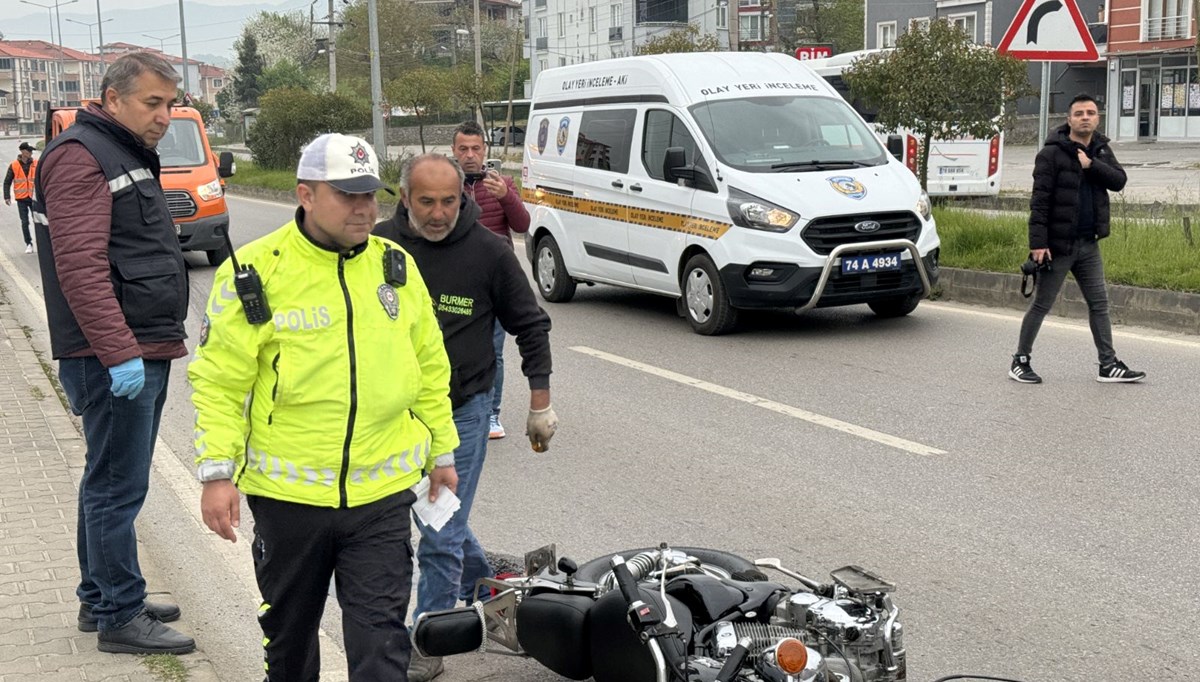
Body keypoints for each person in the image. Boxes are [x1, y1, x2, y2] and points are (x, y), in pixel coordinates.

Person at [190, 133, 460, 681]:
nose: (364, 207)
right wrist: (217, 474)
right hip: (289, 502)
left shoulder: (395, 267)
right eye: (347, 195)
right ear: (306, 194)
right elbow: (219, 383)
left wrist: (443, 450)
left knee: (383, 649)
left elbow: (429, 367)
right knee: (289, 648)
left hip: (380, 500)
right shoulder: (256, 274)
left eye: (370, 195)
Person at [30, 52, 195, 655]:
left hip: (135, 344)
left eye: (170, 103)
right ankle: (120, 616)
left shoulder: (117, 150)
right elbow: (81, 266)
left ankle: (100, 596)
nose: (165, 116)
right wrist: (119, 352)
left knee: (108, 481)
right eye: (153, 103)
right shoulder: (81, 156)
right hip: (112, 354)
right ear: (112, 97)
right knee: (116, 487)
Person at [374, 153, 555, 682]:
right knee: (438, 523)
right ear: (405, 198)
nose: (437, 213)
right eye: (425, 201)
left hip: (462, 414)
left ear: (464, 197)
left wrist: (540, 404)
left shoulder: (489, 252)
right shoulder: (380, 247)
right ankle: (493, 585)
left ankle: (426, 642)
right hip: (391, 416)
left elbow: (531, 323)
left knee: (438, 531)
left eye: (448, 201)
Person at [1010, 93, 1145, 385]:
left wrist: (1091, 165)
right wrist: (1038, 244)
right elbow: (1040, 202)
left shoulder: (1101, 150)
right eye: (1080, 113)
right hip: (1058, 246)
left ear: (1097, 118)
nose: (1086, 117)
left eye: (1091, 113)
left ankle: (1108, 365)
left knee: (1100, 304)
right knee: (1042, 305)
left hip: (1089, 244)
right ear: (1069, 119)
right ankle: (1020, 360)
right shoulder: (1051, 154)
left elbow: (1119, 181)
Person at [449, 121, 531, 440]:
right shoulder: (445, 186)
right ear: (453, 152)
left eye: (476, 148)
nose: (470, 155)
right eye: (463, 149)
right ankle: (456, 407)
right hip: (456, 280)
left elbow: (522, 224)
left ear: (485, 150)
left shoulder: (502, 183)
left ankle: (491, 413)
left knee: (493, 350)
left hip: (495, 282)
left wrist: (506, 197)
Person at [4, 141, 37, 253]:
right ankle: (29, 244)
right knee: (24, 222)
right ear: (23, 152)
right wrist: (7, 196)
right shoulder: (14, 165)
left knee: (38, 221)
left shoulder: (36, 163)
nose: (31, 153)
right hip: (21, 199)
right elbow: (7, 182)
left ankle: (42, 243)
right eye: (29, 151)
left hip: (34, 198)